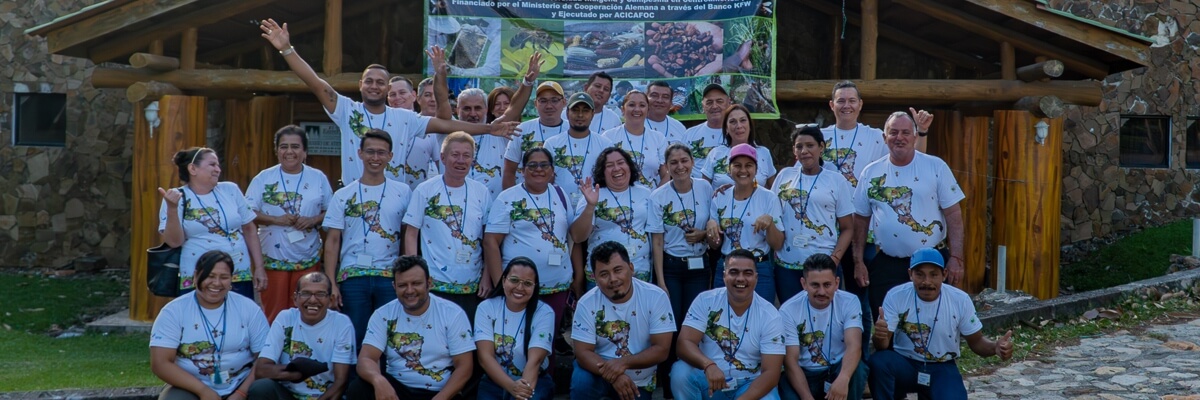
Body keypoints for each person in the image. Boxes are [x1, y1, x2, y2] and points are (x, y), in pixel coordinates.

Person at [260, 20, 518, 186]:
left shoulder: (404, 118)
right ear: (360, 85)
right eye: (369, 81)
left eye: (380, 82)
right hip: (353, 198)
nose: (374, 86)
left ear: (387, 88)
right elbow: (314, 82)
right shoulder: (347, 110)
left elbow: (447, 125)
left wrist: (489, 128)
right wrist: (286, 49)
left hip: (395, 201)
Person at [823, 81, 934, 348]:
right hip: (827, 232)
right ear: (832, 105)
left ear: (860, 104)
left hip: (865, 233)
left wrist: (921, 131)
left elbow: (912, 158)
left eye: (852, 100)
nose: (847, 105)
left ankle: (864, 356)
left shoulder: (875, 136)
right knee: (826, 295)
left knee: (863, 298)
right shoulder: (820, 136)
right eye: (841, 100)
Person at [852, 111, 964, 318]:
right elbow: (860, 220)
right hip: (888, 263)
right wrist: (858, 262)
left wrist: (956, 258)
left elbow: (954, 215)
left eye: (905, 132)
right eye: (893, 132)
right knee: (885, 321)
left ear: (914, 136)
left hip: (931, 261)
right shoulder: (871, 173)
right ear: (884, 137)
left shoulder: (936, 166)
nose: (899, 137)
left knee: (935, 320)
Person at [868, 248, 1014, 399]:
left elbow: (976, 341)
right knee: (879, 362)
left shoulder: (960, 299)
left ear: (944, 275)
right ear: (910, 274)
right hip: (906, 363)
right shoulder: (896, 295)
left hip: (942, 366)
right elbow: (882, 346)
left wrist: (995, 347)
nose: (926, 282)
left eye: (933, 275)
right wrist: (880, 335)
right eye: (919, 274)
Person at [322, 129, 412, 348]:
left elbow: (408, 235)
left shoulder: (403, 192)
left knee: (389, 337)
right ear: (360, 153)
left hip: (389, 276)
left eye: (381, 153)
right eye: (370, 152)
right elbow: (332, 241)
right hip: (352, 276)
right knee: (355, 337)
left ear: (390, 156)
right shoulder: (343, 195)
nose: (375, 157)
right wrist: (331, 282)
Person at [347, 256, 476, 400]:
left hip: (439, 392)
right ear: (394, 286)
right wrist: (378, 380)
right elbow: (366, 359)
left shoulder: (452, 313)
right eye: (402, 285)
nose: (409, 290)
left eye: (416, 283)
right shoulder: (383, 314)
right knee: (358, 389)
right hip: (396, 389)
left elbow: (464, 367)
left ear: (429, 283)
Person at [484, 148, 579, 340]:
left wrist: (577, 278)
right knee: (518, 340)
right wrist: (501, 285)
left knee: (548, 342)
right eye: (532, 165)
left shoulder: (560, 194)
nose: (539, 169)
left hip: (556, 286)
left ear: (552, 170)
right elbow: (490, 242)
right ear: (522, 170)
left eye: (544, 165)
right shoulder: (508, 198)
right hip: (518, 289)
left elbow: (573, 236)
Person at [150, 250, 269, 400]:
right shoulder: (173, 311)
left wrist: (241, 393)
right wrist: (203, 391)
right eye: (210, 276)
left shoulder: (248, 308)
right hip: (191, 386)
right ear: (195, 276)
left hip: (242, 383)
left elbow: (265, 358)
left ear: (231, 279)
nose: (217, 283)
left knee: (266, 388)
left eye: (224, 277)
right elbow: (160, 363)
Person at [245, 125, 334, 322]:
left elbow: (332, 211)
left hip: (307, 255)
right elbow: (247, 212)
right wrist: (276, 220)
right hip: (272, 256)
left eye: (295, 146)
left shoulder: (318, 177)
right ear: (276, 151)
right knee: (274, 314)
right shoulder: (264, 178)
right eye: (284, 146)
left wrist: (313, 220)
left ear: (305, 151)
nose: (289, 151)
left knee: (306, 310)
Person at [670, 249, 785, 400]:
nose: (740, 278)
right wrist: (708, 365)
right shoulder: (705, 300)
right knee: (680, 372)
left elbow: (771, 373)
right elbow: (684, 344)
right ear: (724, 276)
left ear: (756, 278)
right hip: (710, 380)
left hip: (750, 385)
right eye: (734, 272)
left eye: (748, 273)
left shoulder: (770, 315)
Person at [647, 142, 714, 398]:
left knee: (694, 324)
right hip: (672, 267)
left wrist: (704, 234)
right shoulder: (658, 196)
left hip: (699, 267)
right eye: (673, 162)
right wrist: (661, 281)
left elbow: (713, 221)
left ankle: (693, 380)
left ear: (693, 162)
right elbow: (657, 241)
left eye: (684, 160)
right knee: (671, 327)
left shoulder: (705, 188)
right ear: (666, 166)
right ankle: (669, 388)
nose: (680, 166)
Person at [403, 132, 492, 322]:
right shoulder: (425, 190)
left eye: (466, 155)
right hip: (434, 283)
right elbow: (411, 233)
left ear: (472, 159)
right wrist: (415, 274)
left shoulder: (481, 192)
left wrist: (487, 276)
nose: (461, 160)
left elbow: (488, 239)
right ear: (443, 158)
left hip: (472, 284)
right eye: (455, 154)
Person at [429, 48, 539, 201]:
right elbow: (441, 101)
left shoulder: (497, 130)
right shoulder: (448, 130)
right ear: (457, 110)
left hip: (493, 209)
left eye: (478, 108)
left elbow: (515, 108)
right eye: (467, 108)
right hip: (452, 207)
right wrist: (440, 74)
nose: (473, 114)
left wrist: (528, 82)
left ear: (486, 109)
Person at [571, 241, 675, 400]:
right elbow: (582, 352)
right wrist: (615, 375)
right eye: (604, 274)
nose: (613, 279)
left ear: (631, 268)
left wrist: (623, 363)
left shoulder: (656, 296)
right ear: (594, 278)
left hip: (638, 379)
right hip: (598, 371)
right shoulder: (586, 303)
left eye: (618, 270)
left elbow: (661, 349)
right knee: (581, 381)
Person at [159, 147, 265, 299]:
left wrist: (259, 267)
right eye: (212, 164)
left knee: (239, 313)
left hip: (238, 272)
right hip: (198, 274)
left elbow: (249, 229)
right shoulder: (176, 197)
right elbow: (174, 242)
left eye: (218, 165)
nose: (218, 169)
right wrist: (172, 209)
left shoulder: (231, 190)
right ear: (193, 169)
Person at [770, 125, 854, 304]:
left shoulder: (836, 180)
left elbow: (847, 228)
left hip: (823, 268)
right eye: (799, 146)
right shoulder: (784, 176)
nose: (804, 151)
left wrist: (834, 260)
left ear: (821, 147)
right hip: (787, 266)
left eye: (810, 145)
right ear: (794, 150)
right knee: (791, 315)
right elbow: (770, 208)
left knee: (825, 315)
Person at [248, 272, 355, 400]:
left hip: (324, 396)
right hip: (288, 394)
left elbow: (340, 382)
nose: (313, 300)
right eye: (306, 293)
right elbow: (261, 370)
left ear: (331, 300)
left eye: (320, 294)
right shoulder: (285, 318)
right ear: (295, 298)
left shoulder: (341, 323)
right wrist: (297, 373)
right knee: (261, 388)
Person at [778, 254, 867, 400]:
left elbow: (854, 345)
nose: (821, 292)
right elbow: (791, 362)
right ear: (804, 284)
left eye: (827, 285)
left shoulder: (849, 301)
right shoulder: (788, 310)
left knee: (857, 370)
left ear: (837, 283)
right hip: (805, 373)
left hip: (837, 369)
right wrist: (807, 397)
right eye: (815, 285)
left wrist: (843, 378)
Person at [704, 143, 784, 303]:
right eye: (737, 165)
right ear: (729, 169)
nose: (743, 170)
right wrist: (710, 228)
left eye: (748, 165)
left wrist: (770, 225)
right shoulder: (720, 197)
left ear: (756, 170)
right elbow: (715, 245)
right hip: (728, 266)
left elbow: (777, 244)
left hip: (758, 268)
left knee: (761, 315)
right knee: (723, 314)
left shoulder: (769, 197)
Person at [474, 257, 557, 400]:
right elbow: (485, 357)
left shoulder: (544, 313)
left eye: (528, 283)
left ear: (535, 286)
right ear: (503, 280)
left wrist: (520, 392)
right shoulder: (486, 308)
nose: (520, 287)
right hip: (495, 381)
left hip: (533, 381)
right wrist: (512, 386)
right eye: (514, 280)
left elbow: (535, 361)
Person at [572, 147, 653, 286]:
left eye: (621, 163)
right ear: (602, 171)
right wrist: (590, 206)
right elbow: (577, 237)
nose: (616, 168)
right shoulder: (592, 194)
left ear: (629, 166)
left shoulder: (646, 193)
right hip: (603, 275)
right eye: (609, 165)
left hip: (640, 271)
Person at [543, 92, 615, 205]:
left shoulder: (605, 144)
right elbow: (546, 181)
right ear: (567, 113)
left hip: (594, 207)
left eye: (585, 111)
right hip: (560, 205)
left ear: (592, 114)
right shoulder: (552, 144)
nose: (580, 115)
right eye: (575, 110)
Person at [502, 81, 567, 189]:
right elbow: (509, 171)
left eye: (554, 100)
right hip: (527, 196)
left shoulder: (571, 130)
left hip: (562, 196)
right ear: (535, 104)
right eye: (543, 101)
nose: (549, 106)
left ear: (564, 102)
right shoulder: (522, 130)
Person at [603, 90, 670, 187]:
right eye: (631, 105)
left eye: (642, 105)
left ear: (648, 110)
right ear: (622, 110)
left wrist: (657, 195)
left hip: (651, 195)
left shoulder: (658, 138)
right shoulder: (609, 137)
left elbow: (666, 174)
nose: (637, 109)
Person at [700, 104, 776, 189]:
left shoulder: (764, 153)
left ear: (750, 125)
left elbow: (773, 190)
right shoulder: (715, 153)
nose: (739, 126)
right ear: (726, 128)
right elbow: (703, 190)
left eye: (743, 120)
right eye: (733, 121)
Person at [681, 83, 731, 175]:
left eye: (719, 101)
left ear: (729, 103)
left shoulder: (737, 134)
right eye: (709, 102)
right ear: (703, 106)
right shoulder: (690, 134)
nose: (714, 106)